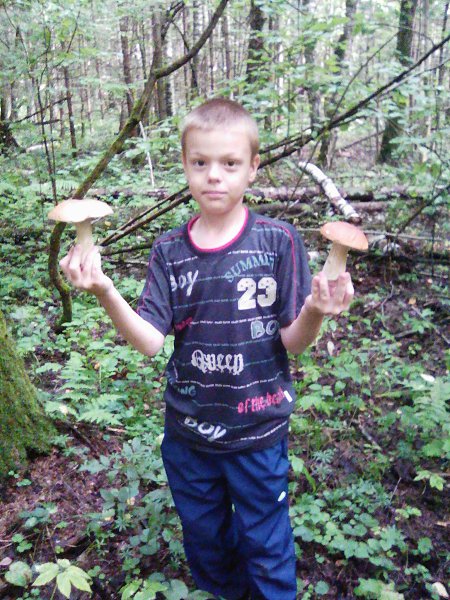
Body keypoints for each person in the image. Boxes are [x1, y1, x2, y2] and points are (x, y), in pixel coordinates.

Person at [60, 98, 354, 600]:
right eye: (201, 162)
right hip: (189, 435)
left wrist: (315, 311)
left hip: (258, 433)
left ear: (253, 167)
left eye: (229, 163)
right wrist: (105, 291)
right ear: (185, 164)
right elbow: (150, 342)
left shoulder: (278, 242)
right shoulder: (169, 251)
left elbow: (294, 342)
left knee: (267, 544)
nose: (214, 175)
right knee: (207, 542)